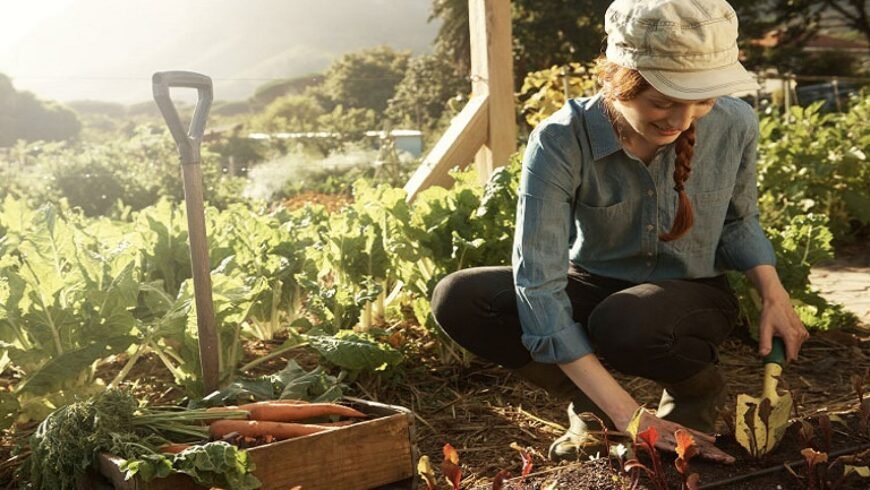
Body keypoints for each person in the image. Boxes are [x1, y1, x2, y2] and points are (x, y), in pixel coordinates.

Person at [430, 0, 809, 464]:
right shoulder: (561, 139)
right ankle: (595, 412)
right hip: (592, 280)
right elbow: (539, 283)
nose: (682, 121)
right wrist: (630, 415)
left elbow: (738, 220)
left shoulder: (735, 123)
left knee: (628, 322)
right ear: (616, 81)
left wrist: (773, 295)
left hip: (688, 294)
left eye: (702, 101)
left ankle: (695, 394)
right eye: (663, 102)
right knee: (461, 297)